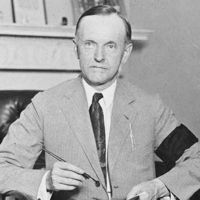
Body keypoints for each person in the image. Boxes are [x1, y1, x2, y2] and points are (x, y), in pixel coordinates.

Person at [0, 5, 199, 200]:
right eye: (89, 44)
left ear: (126, 52)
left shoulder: (150, 108)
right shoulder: (44, 106)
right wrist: (46, 181)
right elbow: (3, 168)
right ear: (76, 48)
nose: (99, 56)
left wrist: (160, 187)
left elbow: (196, 158)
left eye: (110, 46)